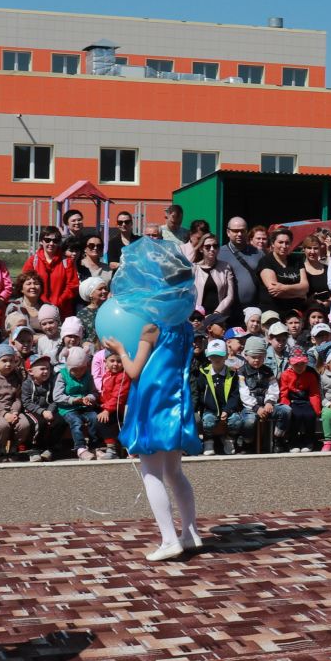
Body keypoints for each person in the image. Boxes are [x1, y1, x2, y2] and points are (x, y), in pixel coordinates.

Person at [103, 237, 204, 561]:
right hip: (176, 401)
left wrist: (119, 350)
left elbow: (133, 371)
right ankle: (190, 532)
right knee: (175, 471)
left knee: (151, 472)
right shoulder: (185, 326)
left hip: (151, 403)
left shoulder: (151, 327)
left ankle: (168, 539)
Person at [194, 339, 245, 454]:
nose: (216, 359)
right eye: (213, 356)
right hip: (210, 409)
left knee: (236, 421)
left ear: (226, 356)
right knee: (208, 421)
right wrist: (200, 409)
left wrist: (227, 410)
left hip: (228, 409)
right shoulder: (203, 373)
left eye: (220, 356)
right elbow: (200, 393)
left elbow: (235, 394)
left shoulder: (232, 374)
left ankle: (229, 439)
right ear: (208, 357)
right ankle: (208, 441)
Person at [21, 226, 81, 319]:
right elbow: (24, 283)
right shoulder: (33, 261)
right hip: (37, 310)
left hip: (62, 311)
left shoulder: (66, 262)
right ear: (41, 241)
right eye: (47, 240)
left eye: (55, 240)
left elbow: (73, 286)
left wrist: (59, 301)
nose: (51, 243)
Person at [189, 233, 237, 330]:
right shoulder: (193, 268)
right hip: (197, 318)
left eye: (215, 246)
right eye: (208, 246)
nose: (212, 249)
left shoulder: (226, 267)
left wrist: (216, 314)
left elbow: (230, 295)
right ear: (201, 249)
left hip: (219, 317)